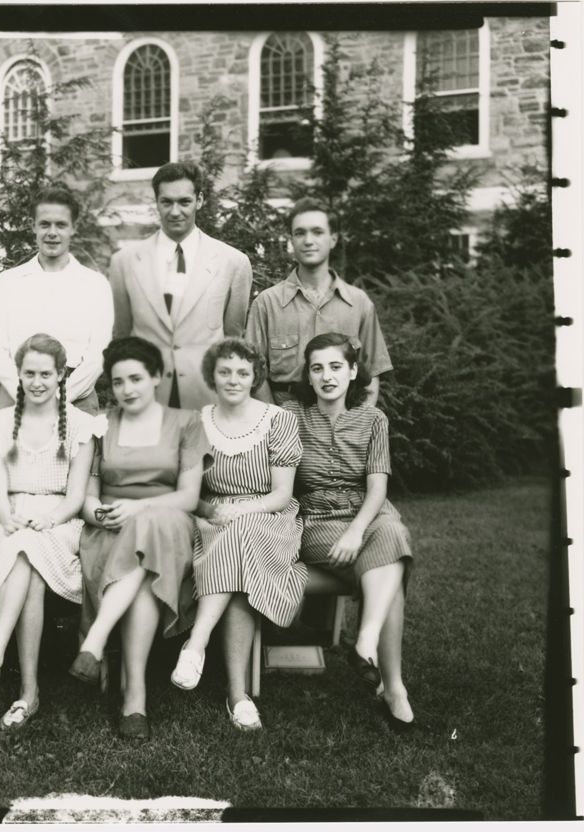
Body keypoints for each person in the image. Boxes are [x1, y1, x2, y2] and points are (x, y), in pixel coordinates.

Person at [72, 336, 207, 740]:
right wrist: (99, 513)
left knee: (151, 530)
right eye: (117, 382)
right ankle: (135, 698)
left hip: (171, 523)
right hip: (110, 531)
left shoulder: (186, 423)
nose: (127, 389)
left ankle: (96, 640)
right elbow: (87, 497)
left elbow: (188, 496)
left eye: (136, 378)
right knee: (145, 570)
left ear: (156, 378)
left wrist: (139, 510)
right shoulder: (102, 425)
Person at [169, 338, 306, 731]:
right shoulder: (197, 422)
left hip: (268, 518)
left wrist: (241, 510)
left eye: (243, 373)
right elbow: (191, 492)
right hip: (211, 518)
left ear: (255, 377)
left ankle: (196, 644)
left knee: (242, 534)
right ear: (213, 376)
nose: (233, 380)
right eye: (225, 372)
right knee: (234, 549)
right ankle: (238, 695)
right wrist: (213, 513)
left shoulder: (278, 421)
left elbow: (282, 494)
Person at [0, 334, 95, 730]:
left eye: (46, 374)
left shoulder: (82, 425)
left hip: (59, 521)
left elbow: (75, 496)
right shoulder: (0, 423)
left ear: (61, 376)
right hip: (9, 518)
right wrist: (7, 518)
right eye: (29, 374)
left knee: (29, 546)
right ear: (18, 375)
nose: (37, 382)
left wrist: (50, 518)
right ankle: (27, 693)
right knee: (24, 552)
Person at [284, 332, 415, 729]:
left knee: (392, 534)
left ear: (353, 371)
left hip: (367, 513)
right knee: (390, 569)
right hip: (317, 519)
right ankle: (394, 686)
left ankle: (366, 640)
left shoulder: (373, 419)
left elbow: (378, 488)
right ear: (308, 376)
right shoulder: (290, 416)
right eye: (318, 368)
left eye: (336, 367)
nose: (327, 376)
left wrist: (357, 531)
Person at [109, 161, 252, 410]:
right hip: (146, 397)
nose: (175, 212)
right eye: (167, 202)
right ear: (157, 203)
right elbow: (122, 335)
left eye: (184, 202)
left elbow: (233, 337)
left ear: (200, 200)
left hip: (207, 398)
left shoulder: (233, 262)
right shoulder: (125, 261)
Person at [246, 198, 392, 407]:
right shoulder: (267, 303)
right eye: (300, 233)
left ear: (333, 239)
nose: (308, 240)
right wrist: (276, 425)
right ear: (291, 241)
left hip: (343, 422)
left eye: (317, 232)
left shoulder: (359, 303)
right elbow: (254, 375)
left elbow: (372, 374)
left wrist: (356, 426)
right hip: (284, 417)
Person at [0, 187, 113, 415]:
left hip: (76, 399)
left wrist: (57, 400)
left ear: (73, 228)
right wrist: (25, 394)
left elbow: (98, 355)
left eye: (61, 225)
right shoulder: (8, 282)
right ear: (33, 226)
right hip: (17, 396)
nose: (52, 232)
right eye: (44, 224)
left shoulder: (95, 285)